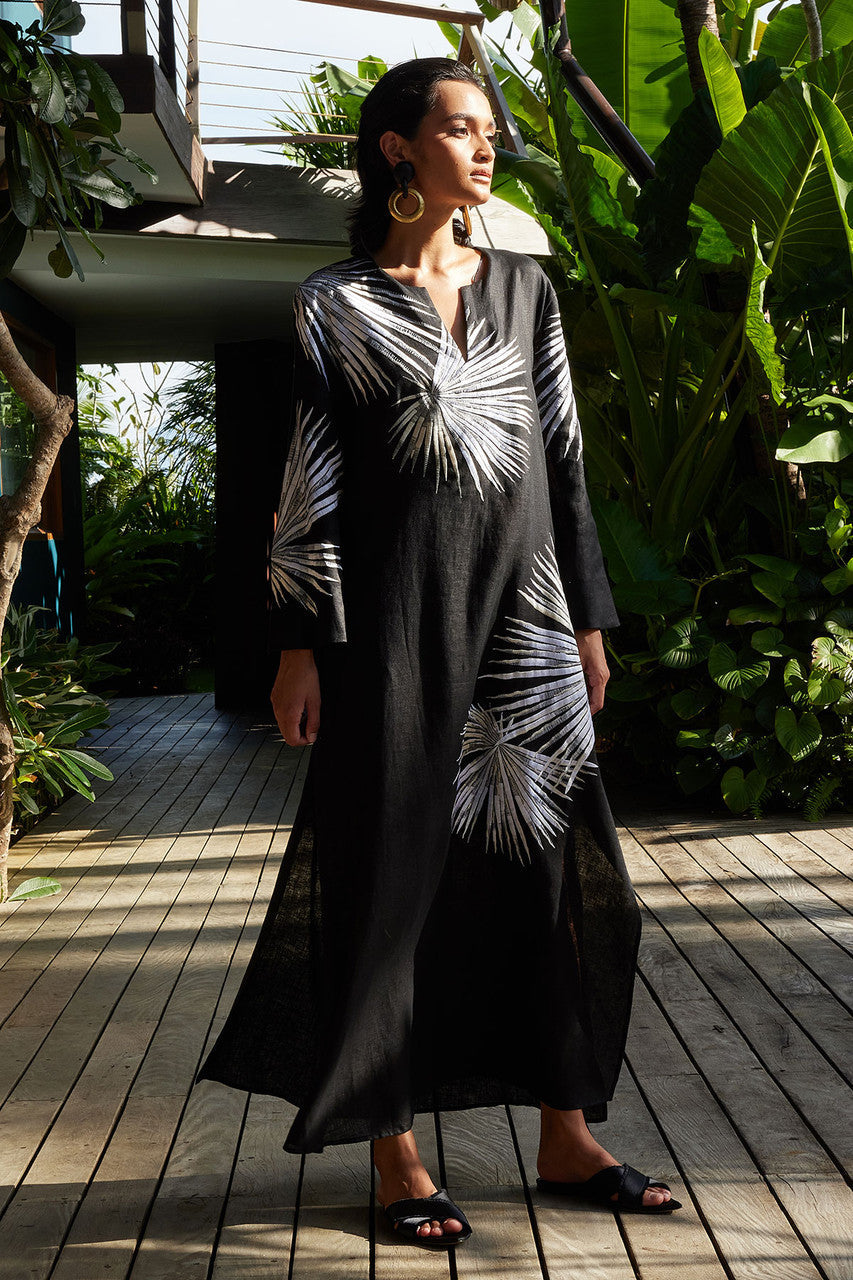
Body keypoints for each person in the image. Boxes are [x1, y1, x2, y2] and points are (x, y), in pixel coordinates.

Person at [196, 56, 681, 1248]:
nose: (486, 145)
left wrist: (586, 622)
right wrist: (299, 645)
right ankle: (394, 1148)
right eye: (461, 128)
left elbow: (562, 464)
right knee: (388, 873)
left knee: (546, 873)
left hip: (524, 625)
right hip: (394, 625)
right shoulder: (335, 304)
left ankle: (565, 1131)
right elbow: (308, 481)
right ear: (397, 149)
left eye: (489, 130)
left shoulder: (525, 289)